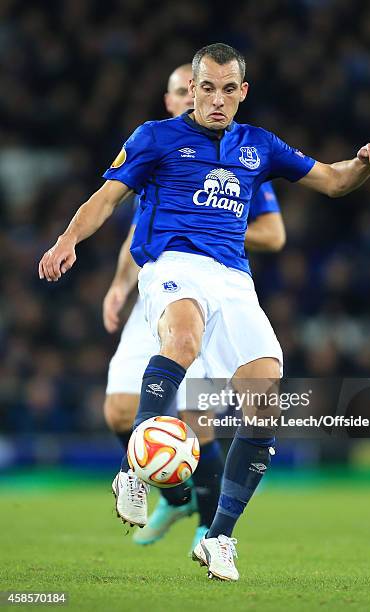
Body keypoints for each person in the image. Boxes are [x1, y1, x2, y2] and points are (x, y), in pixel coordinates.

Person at [38, 43, 370, 581]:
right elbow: (105, 199)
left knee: (265, 393)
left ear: (242, 92)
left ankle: (219, 536)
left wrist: (364, 163)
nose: (218, 99)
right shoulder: (155, 137)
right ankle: (136, 471)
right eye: (208, 88)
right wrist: (68, 239)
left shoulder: (259, 146)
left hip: (233, 279)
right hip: (172, 263)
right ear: (193, 89)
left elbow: (335, 180)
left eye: (230, 89)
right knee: (181, 340)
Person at [104, 66, 286, 551]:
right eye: (188, 91)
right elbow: (131, 229)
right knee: (119, 410)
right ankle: (174, 489)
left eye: (208, 89)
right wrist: (119, 287)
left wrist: (207, 228)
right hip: (157, 282)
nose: (200, 99)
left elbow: (274, 233)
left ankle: (209, 525)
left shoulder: (241, 155)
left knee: (198, 413)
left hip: (205, 284)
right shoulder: (158, 145)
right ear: (171, 100)